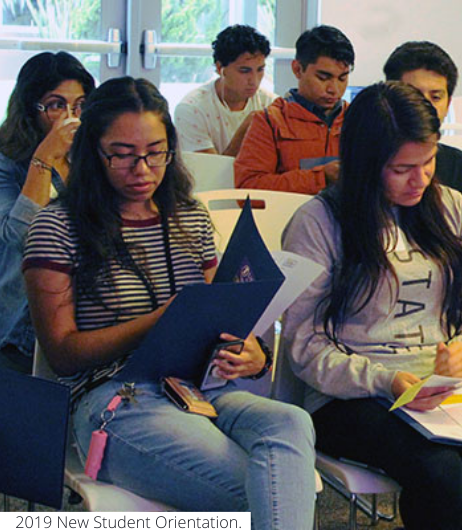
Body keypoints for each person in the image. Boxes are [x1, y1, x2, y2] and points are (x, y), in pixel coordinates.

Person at [22, 77, 316, 527]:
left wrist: (252, 352)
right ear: (91, 152)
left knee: (292, 424)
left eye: (156, 152)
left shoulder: (187, 215)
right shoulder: (58, 226)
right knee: (271, 488)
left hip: (200, 388)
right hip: (117, 400)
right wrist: (159, 321)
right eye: (122, 154)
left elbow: (219, 311)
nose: (143, 168)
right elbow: (62, 354)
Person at [281, 81, 462, 530]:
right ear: (366, 165)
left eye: (429, 162)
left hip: (439, 387)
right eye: (403, 168)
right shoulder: (319, 221)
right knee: (438, 472)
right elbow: (303, 345)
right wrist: (385, 380)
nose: (421, 179)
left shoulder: (451, 207)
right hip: (350, 394)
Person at [0, 52, 93, 373]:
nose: (70, 116)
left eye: (80, 105)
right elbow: (21, 240)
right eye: (56, 105)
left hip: (92, 297)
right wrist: (44, 159)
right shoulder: (7, 161)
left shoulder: (94, 153)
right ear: (31, 108)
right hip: (24, 311)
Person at [383, 41, 462, 252]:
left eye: (436, 97)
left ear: (449, 102)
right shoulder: (369, 159)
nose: (425, 105)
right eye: (413, 94)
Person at [234, 25, 353, 194]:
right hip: (288, 219)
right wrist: (320, 177)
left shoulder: (357, 119)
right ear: (297, 69)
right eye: (323, 77)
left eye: (342, 78)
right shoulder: (270, 121)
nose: (333, 89)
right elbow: (248, 189)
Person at [174, 24, 276, 156]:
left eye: (260, 70)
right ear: (220, 68)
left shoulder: (271, 104)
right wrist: (244, 131)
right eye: (244, 71)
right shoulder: (191, 110)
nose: (254, 80)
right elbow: (210, 173)